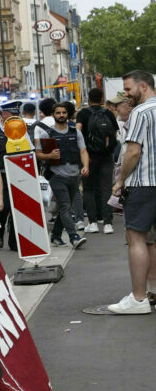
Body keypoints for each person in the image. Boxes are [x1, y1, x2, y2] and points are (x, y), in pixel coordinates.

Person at [106, 71, 156, 314]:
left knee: (136, 238)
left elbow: (133, 151)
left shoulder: (140, 112)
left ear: (143, 86)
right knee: (153, 241)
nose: (126, 95)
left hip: (143, 183)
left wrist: (120, 180)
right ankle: (153, 291)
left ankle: (138, 299)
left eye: (128, 89)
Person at [35, 100, 89, 249]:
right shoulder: (47, 133)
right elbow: (37, 154)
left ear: (67, 114)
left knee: (64, 207)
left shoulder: (75, 132)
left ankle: (56, 235)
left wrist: (85, 166)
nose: (61, 115)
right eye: (58, 113)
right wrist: (49, 156)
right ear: (53, 115)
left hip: (74, 175)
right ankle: (74, 237)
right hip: (56, 176)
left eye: (64, 112)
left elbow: (83, 151)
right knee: (66, 206)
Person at [78, 87, 121, 234]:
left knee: (89, 188)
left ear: (89, 99)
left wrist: (83, 152)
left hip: (89, 157)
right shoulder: (108, 113)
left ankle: (93, 222)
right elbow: (114, 134)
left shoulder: (83, 113)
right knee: (106, 188)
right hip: (106, 156)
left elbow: (78, 132)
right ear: (102, 99)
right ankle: (108, 223)